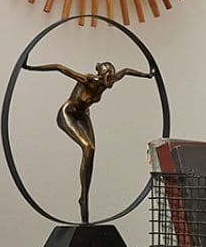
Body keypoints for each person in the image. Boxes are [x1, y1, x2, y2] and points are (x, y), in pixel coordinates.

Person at [27, 59, 155, 222]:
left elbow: (127, 70)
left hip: (83, 116)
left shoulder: (109, 82)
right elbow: (59, 67)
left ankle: (84, 197)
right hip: (68, 114)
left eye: (112, 76)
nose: (110, 80)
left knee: (91, 151)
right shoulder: (88, 80)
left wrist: (148, 75)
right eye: (107, 76)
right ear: (100, 75)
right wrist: (30, 67)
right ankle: (84, 199)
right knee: (88, 147)